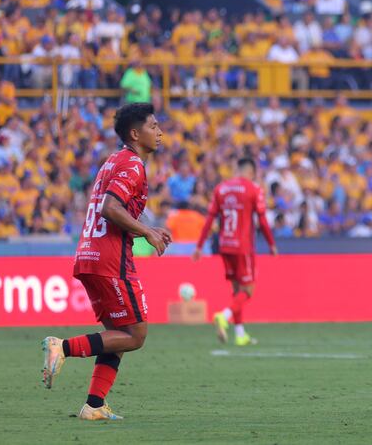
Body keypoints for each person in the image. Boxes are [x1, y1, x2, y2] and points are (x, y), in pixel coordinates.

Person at [42, 103, 172, 421]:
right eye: (153, 126)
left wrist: (148, 228)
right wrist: (148, 234)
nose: (159, 132)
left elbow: (112, 206)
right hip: (110, 258)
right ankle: (64, 347)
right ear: (135, 133)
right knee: (136, 335)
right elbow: (110, 208)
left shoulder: (113, 160)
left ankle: (94, 405)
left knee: (118, 333)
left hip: (90, 253)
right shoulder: (133, 164)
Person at [193, 157, 278, 346]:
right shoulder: (253, 189)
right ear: (251, 172)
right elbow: (262, 221)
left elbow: (210, 219)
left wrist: (199, 246)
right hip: (243, 246)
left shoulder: (221, 189)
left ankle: (240, 334)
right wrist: (271, 244)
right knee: (248, 291)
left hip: (225, 246)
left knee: (236, 290)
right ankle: (224, 316)